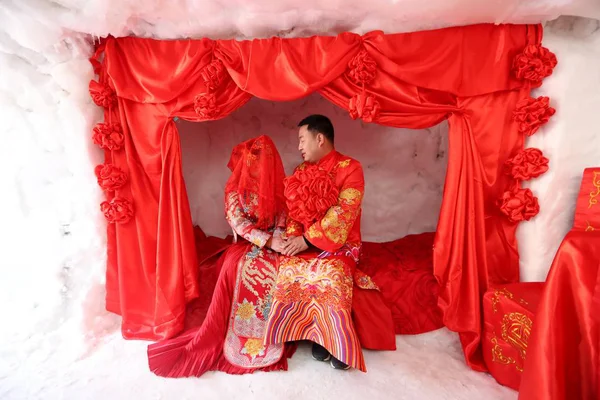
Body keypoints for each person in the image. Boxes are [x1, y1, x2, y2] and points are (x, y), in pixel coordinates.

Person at [147, 135, 294, 377]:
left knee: (286, 268)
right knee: (238, 268)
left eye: (266, 160)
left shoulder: (278, 186)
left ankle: (280, 330)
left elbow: (282, 217)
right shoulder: (236, 190)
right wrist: (266, 240)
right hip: (247, 243)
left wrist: (278, 238)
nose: (262, 166)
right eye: (256, 161)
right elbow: (237, 221)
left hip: (274, 244)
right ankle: (242, 336)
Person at [263, 115, 396, 372]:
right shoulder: (300, 171)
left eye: (302, 140)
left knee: (331, 275)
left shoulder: (351, 167)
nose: (299, 146)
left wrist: (306, 239)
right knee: (290, 271)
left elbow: (344, 213)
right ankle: (312, 334)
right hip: (304, 242)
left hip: (341, 242)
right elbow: (293, 212)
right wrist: (293, 238)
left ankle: (335, 341)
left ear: (319, 138)